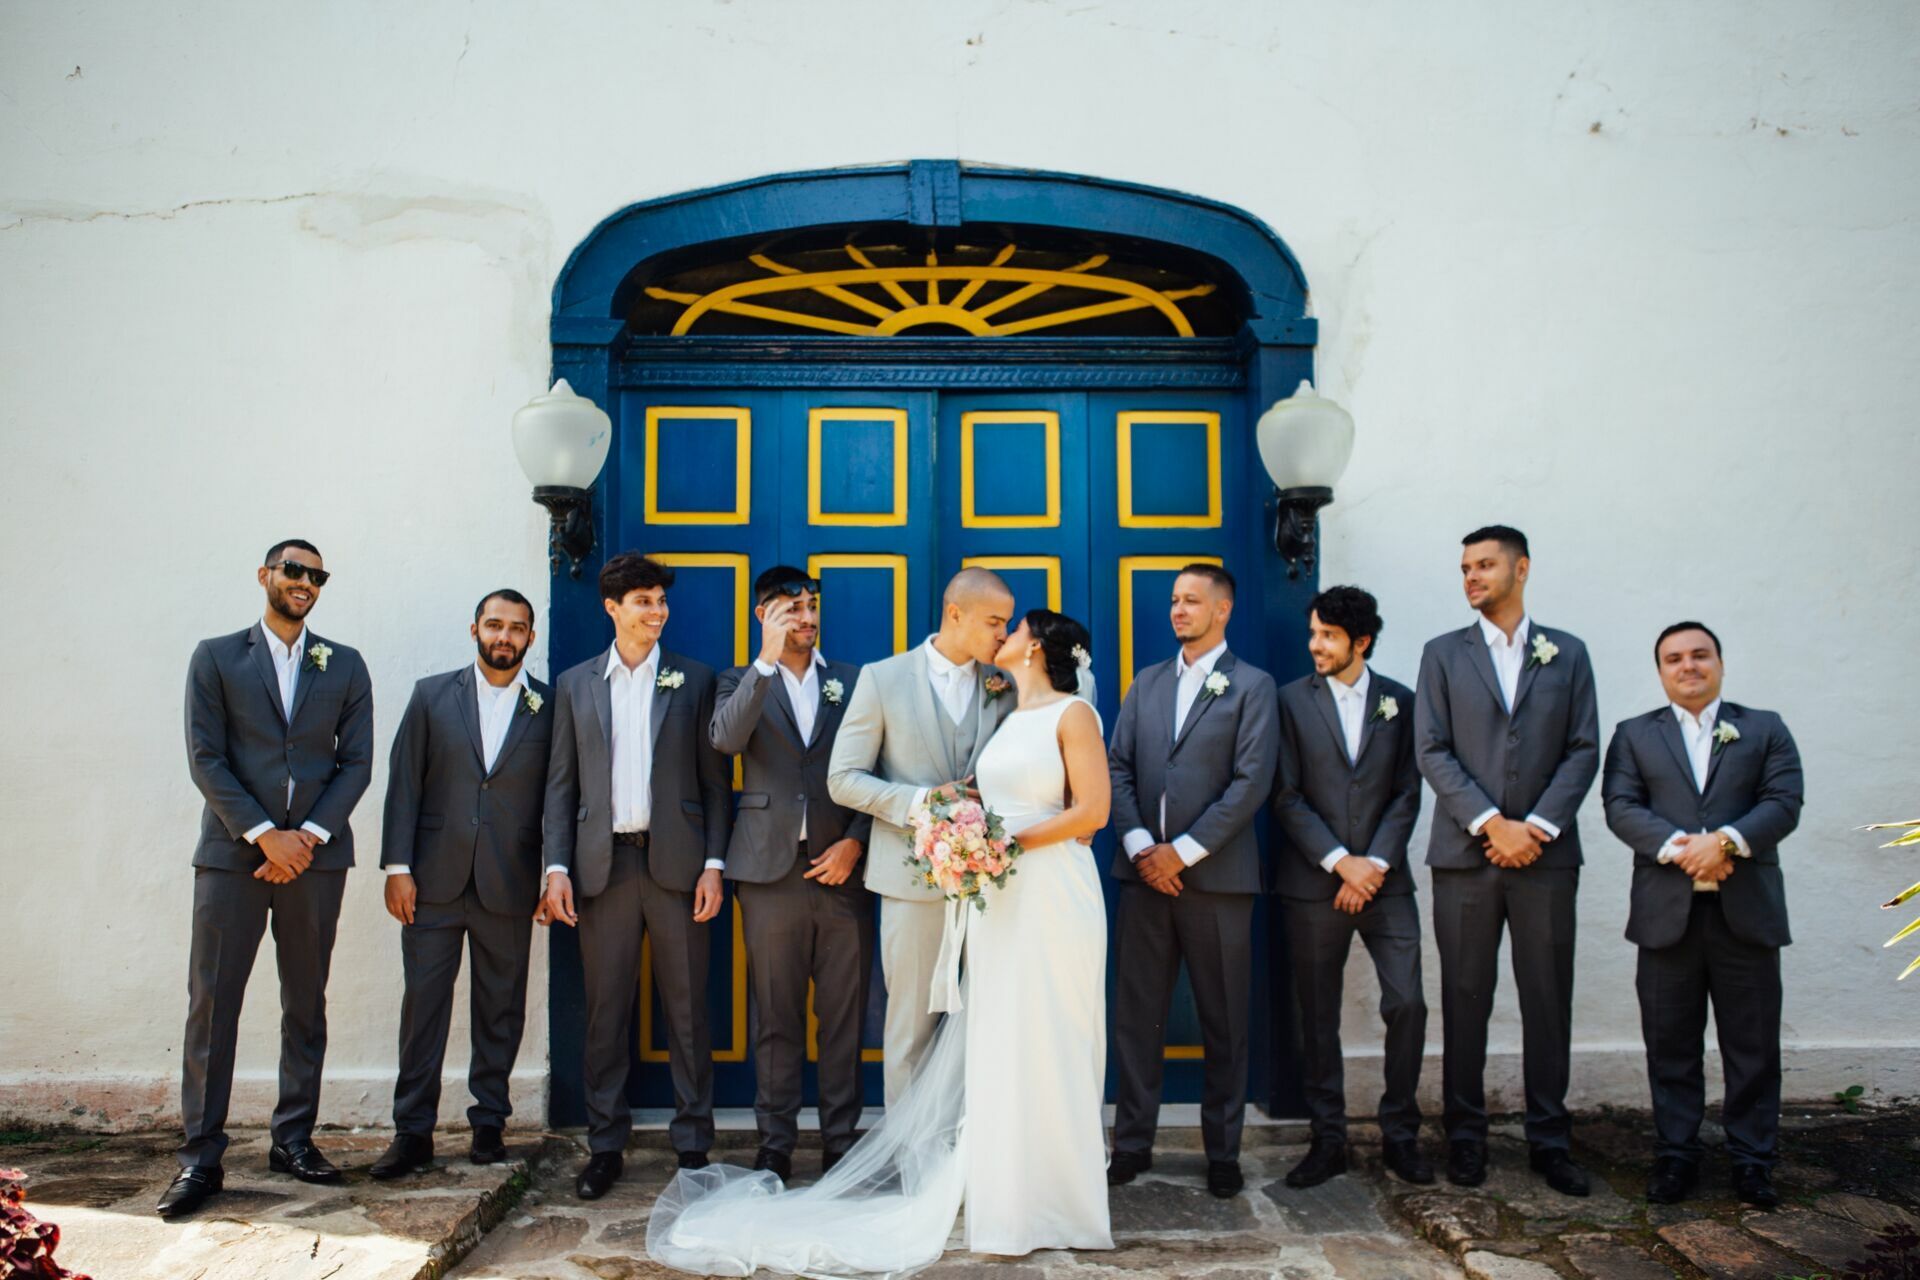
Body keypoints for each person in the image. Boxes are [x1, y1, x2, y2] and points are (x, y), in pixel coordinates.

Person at [648, 609, 1113, 1272]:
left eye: (1011, 629)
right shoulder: (1008, 714)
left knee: (1057, 1034)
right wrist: (958, 826)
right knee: (1000, 1040)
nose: (1001, 635)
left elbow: (1090, 811)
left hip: (1050, 895)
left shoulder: (1074, 715)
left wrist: (997, 841)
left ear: (1034, 647)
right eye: (996, 622)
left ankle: (1063, 1199)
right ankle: (1009, 1190)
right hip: (998, 896)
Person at [160, 539, 374, 1219]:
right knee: (213, 1004)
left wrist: (306, 838)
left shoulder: (344, 664)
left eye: (316, 575)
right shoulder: (217, 657)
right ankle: (200, 1156)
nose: (305, 582)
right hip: (233, 857)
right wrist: (264, 834)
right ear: (266, 576)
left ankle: (294, 1138)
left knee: (306, 1002)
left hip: (315, 860)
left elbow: (357, 763)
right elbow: (206, 756)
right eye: (293, 570)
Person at [1414, 525, 1599, 1196]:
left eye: (1485, 564)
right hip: (1466, 857)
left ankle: (1550, 1140)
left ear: (1521, 568)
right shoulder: (1442, 655)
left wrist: (1538, 828)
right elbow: (1431, 749)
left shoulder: (1568, 655)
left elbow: (1583, 749)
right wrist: (1493, 824)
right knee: (1466, 999)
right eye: (1465, 566)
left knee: (1548, 998)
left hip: (1545, 860)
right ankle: (1465, 1138)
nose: (1472, 576)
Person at [540, 552, 732, 1200]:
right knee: (605, 1013)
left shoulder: (695, 679)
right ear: (612, 608)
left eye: (661, 602)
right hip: (603, 868)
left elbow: (714, 784)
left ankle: (693, 1145)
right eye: (644, 602)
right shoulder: (573, 684)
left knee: (687, 1012)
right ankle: (604, 1146)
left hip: (678, 868)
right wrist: (556, 867)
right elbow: (560, 785)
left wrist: (713, 865)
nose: (658, 612)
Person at [1602, 622, 1802, 1209]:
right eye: (1674, 658)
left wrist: (1729, 841)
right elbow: (1620, 805)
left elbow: (1783, 801)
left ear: (1718, 662)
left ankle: (1753, 1160)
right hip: (1668, 915)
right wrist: (1683, 849)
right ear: (1660, 670)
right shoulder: (1635, 735)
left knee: (1753, 1045)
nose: (1688, 666)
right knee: (1670, 1045)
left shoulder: (1765, 728)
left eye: (1699, 655)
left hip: (1747, 913)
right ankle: (1675, 1156)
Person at [1107, 562, 1279, 1199]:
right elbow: (1117, 767)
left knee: (1225, 1021)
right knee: (1137, 1018)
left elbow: (1251, 782)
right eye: (1175, 601)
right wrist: (1139, 846)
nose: (1178, 611)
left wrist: (1181, 852)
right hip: (1142, 878)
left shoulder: (1252, 687)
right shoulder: (1146, 683)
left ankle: (1223, 1152)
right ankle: (1131, 1144)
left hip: (1218, 884)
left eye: (1192, 601)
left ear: (1223, 609)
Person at [370, 589, 552, 1179]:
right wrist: (398, 868)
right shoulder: (430, 696)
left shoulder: (548, 707)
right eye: (494, 625)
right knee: (423, 1007)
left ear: (530, 637)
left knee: (500, 1009)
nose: (505, 636)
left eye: (517, 628)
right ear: (474, 628)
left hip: (509, 881)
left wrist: (552, 872)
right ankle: (412, 1132)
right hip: (433, 882)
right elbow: (404, 783)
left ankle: (489, 1125)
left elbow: (559, 796)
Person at [827, 567, 1016, 1106]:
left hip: (993, 888)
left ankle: (973, 1155)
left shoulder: (1004, 684)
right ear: (955, 614)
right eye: (994, 622)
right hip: (910, 882)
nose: (1003, 634)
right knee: (909, 1027)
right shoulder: (883, 679)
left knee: (986, 1025)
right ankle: (914, 1166)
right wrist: (920, 804)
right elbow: (842, 778)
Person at [709, 566, 873, 1182]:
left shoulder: (853, 682)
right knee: (774, 1013)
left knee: (842, 1013)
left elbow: (878, 769)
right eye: (791, 609)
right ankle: (774, 1140)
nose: (806, 618)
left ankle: (839, 1138)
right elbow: (726, 742)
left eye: (811, 607)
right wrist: (766, 664)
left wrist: (855, 844)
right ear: (764, 615)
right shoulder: (737, 680)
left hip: (841, 871)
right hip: (768, 872)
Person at [1271, 586, 1430, 1188]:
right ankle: (1327, 1138)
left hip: (1387, 885)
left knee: (1407, 1003)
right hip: (1315, 885)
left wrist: (1375, 866)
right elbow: (1286, 795)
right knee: (1317, 1016)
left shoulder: (1401, 702)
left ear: (1360, 642)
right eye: (1314, 633)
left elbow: (1407, 791)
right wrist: (1342, 863)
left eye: (1328, 636)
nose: (1315, 645)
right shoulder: (1289, 703)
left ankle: (1401, 1134)